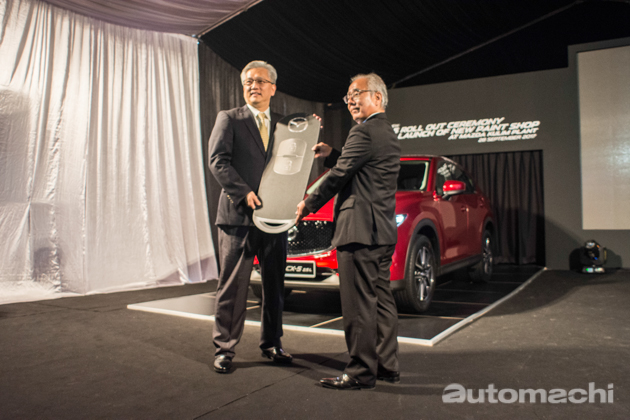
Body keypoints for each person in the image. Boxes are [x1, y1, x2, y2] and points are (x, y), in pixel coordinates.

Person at [296, 73, 401, 390]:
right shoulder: (386, 132)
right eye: (348, 96)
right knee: (380, 301)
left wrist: (308, 204)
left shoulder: (363, 131)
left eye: (357, 93)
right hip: (381, 232)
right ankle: (386, 366)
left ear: (378, 97)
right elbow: (359, 165)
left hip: (358, 232)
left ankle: (360, 372)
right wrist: (333, 154)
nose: (351, 100)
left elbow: (341, 175)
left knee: (358, 305)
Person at [208, 60, 292, 374]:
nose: (253, 86)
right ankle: (224, 348)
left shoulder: (284, 125)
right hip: (238, 218)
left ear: (273, 88)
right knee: (232, 286)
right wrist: (243, 192)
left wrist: (310, 132)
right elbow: (217, 161)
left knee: (275, 284)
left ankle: (272, 343)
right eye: (248, 81)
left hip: (274, 217)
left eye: (260, 81)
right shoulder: (229, 118)